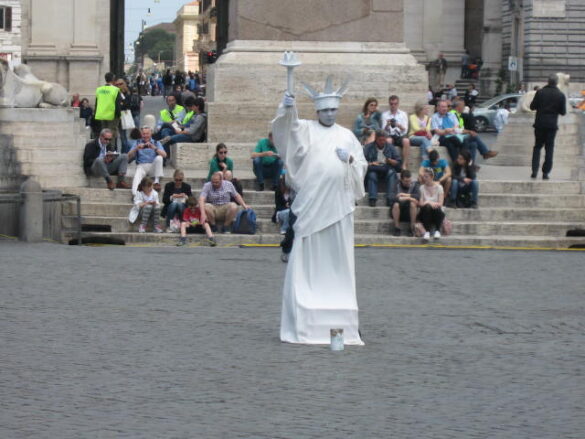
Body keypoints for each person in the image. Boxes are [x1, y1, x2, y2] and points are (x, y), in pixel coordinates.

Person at [272, 74, 367, 345]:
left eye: (333, 110)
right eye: (324, 110)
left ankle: (339, 299)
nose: (329, 114)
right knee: (309, 256)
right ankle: (307, 301)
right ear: (317, 111)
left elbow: (361, 165)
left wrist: (348, 159)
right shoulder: (307, 129)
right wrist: (287, 107)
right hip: (313, 205)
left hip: (338, 206)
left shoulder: (347, 136)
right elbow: (287, 132)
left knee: (337, 258)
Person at [530, 73, 567, 180]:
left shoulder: (540, 92)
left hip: (539, 124)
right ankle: (545, 173)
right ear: (556, 82)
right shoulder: (560, 95)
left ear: (548, 81)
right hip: (551, 125)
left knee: (537, 147)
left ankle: (534, 171)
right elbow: (563, 112)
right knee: (549, 148)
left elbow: (532, 107)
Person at [451, 98, 498, 162]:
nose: (464, 107)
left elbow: (461, 127)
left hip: (460, 135)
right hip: (455, 136)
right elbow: (456, 129)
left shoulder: (458, 114)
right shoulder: (453, 114)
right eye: (463, 105)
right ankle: (485, 153)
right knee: (474, 136)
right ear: (458, 106)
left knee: (474, 144)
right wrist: (469, 132)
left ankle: (471, 165)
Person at [363, 130, 402, 207]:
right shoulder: (368, 147)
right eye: (380, 140)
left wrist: (391, 161)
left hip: (386, 168)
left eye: (384, 140)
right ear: (376, 139)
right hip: (373, 169)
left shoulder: (390, 147)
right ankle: (372, 198)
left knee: (391, 173)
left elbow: (398, 162)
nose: (382, 142)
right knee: (372, 175)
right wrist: (371, 163)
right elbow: (361, 162)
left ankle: (390, 199)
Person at [127, 126, 166, 194]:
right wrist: (136, 148)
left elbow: (164, 155)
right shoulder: (137, 142)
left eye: (147, 133)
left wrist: (154, 148)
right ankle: (135, 194)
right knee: (136, 178)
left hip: (152, 166)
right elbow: (128, 156)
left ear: (151, 134)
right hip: (141, 166)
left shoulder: (156, 142)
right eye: (143, 134)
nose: (145, 136)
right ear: (141, 134)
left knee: (159, 158)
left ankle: (156, 182)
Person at [381, 95, 411, 168]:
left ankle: (404, 165)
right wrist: (387, 125)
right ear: (389, 104)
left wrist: (398, 125)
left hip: (400, 135)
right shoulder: (384, 115)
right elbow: (383, 131)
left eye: (395, 104)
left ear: (398, 104)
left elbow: (405, 130)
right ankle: (389, 164)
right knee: (388, 140)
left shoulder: (403, 114)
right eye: (391, 104)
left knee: (406, 141)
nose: (393, 105)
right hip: (389, 134)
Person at [390, 169, 420, 237]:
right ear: (401, 179)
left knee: (413, 204)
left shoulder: (415, 184)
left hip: (410, 212)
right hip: (397, 211)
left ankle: (412, 228)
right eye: (406, 181)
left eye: (409, 180)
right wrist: (400, 199)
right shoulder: (396, 184)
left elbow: (418, 196)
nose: (408, 183)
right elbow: (391, 197)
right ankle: (397, 228)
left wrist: (406, 197)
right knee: (396, 205)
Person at [418, 168, 445, 242]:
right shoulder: (421, 188)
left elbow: (440, 203)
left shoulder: (439, 187)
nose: (424, 178)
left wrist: (430, 203)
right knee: (427, 207)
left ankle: (437, 230)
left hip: (436, 211)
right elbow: (420, 203)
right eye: (424, 176)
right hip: (425, 211)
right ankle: (427, 231)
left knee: (436, 207)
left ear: (432, 177)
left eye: (426, 177)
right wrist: (429, 202)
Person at [94, 72, 121, 143]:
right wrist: (119, 115)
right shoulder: (115, 90)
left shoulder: (99, 89)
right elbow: (117, 104)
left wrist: (95, 113)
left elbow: (97, 102)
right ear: (113, 79)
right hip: (112, 115)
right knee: (111, 134)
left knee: (103, 134)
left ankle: (103, 149)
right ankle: (111, 151)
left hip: (102, 114)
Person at [114, 78, 132, 153]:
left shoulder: (127, 93)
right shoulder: (115, 92)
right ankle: (114, 152)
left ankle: (124, 153)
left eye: (120, 84)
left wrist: (121, 104)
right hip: (115, 116)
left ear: (124, 84)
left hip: (123, 116)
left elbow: (126, 104)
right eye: (117, 84)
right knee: (114, 136)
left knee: (123, 136)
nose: (119, 86)